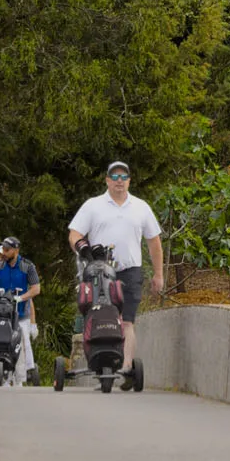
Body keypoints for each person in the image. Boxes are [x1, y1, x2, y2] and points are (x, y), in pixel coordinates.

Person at [68, 164, 164, 388]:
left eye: (124, 176)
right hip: (98, 271)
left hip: (130, 271)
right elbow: (74, 234)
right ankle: (98, 356)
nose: (119, 180)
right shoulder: (93, 206)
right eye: (115, 176)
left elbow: (154, 242)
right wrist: (82, 247)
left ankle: (126, 366)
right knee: (95, 313)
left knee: (127, 320)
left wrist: (158, 274)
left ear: (129, 180)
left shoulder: (141, 207)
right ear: (107, 180)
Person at [0, 236, 41, 386]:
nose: (5, 253)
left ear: (16, 250)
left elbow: (36, 289)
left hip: (21, 315)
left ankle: (20, 380)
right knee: (1, 344)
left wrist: (21, 298)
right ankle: (5, 376)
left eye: (7, 250)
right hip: (1, 314)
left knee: (21, 345)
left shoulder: (27, 266)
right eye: (4, 250)